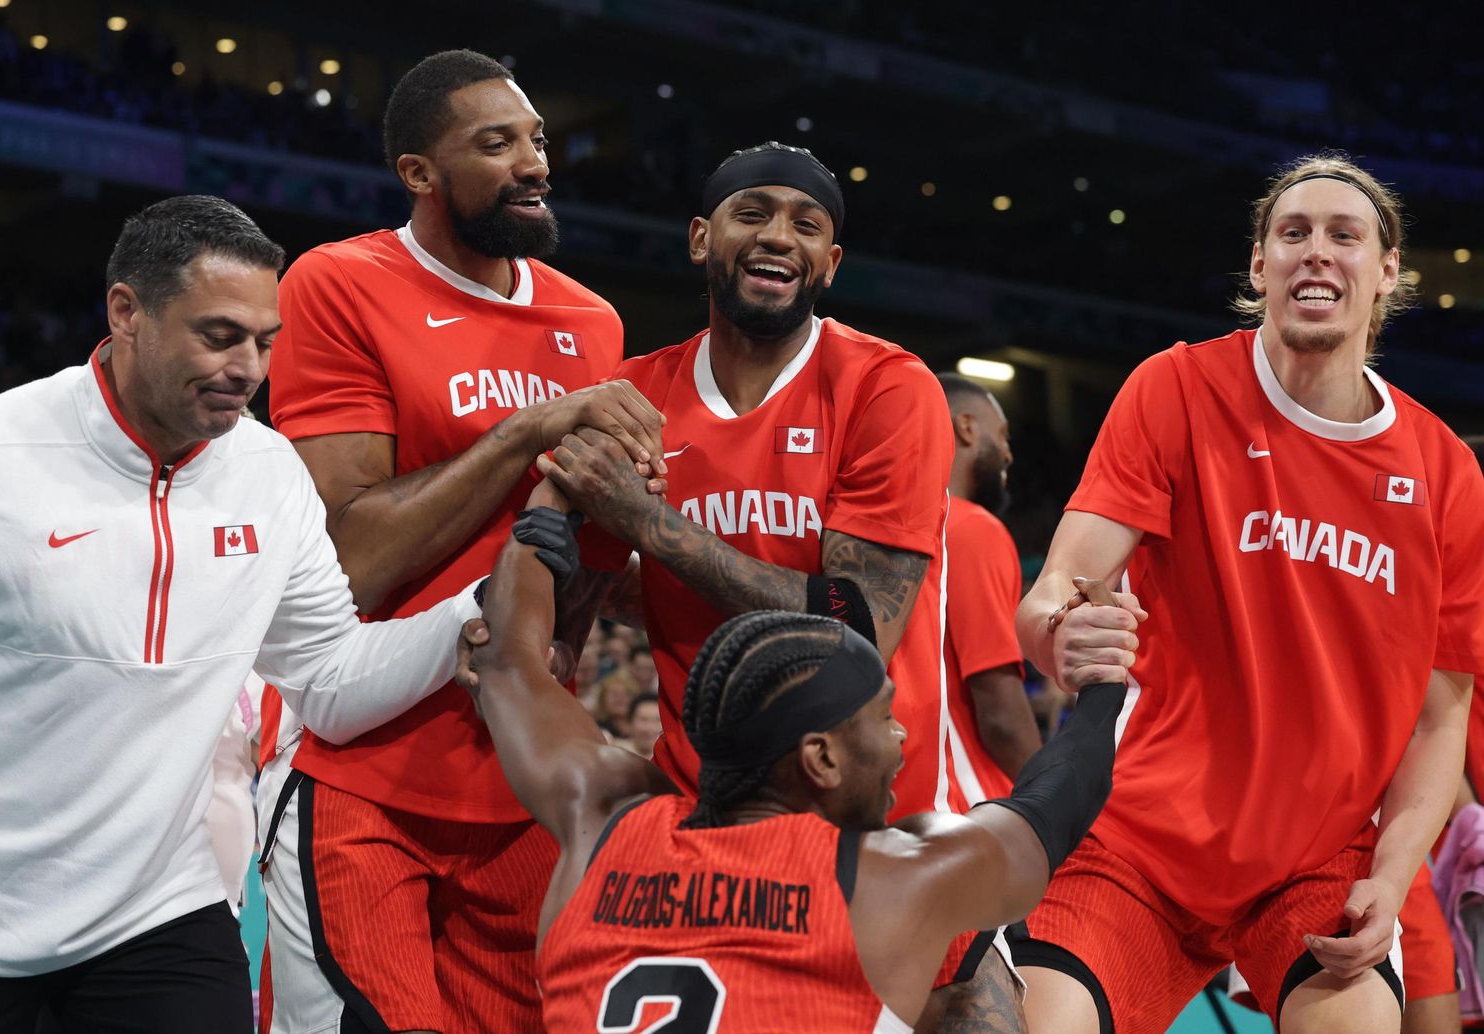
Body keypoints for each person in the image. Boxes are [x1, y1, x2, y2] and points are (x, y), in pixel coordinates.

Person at [0, 195, 488, 1034]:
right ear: (127, 312)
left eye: (264, 342)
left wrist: (477, 609)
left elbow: (329, 679)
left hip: (159, 914)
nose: (247, 366)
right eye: (219, 335)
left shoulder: (270, 473)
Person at [538, 142, 1025, 1017]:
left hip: (882, 825)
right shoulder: (636, 392)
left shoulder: (888, 386)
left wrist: (652, 526)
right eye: (752, 213)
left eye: (807, 225)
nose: (779, 238)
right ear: (700, 237)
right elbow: (569, 622)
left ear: (830, 264)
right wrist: (538, 647)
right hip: (715, 834)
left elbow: (856, 625)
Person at [1009, 153, 1484, 1034]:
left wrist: (1387, 874)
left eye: (1345, 236)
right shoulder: (1177, 387)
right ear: (1259, 265)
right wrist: (1056, 636)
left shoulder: (1445, 472)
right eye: (1292, 233)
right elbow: (1058, 591)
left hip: (1314, 862)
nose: (1316, 252)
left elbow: (1439, 718)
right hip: (1141, 842)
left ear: (1386, 274)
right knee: (1034, 1025)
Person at [257, 48, 665, 1034]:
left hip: (524, 777)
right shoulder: (339, 283)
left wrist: (620, 531)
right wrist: (531, 428)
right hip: (366, 773)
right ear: (420, 173)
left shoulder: (588, 319)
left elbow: (588, 556)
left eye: (535, 140)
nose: (534, 163)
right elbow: (349, 556)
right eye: (497, 144)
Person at [458, 478, 1126, 1033]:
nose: (899, 739)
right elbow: (1059, 798)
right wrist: (1103, 683)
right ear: (821, 760)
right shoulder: (888, 878)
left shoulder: (601, 819)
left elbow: (510, 666)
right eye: (882, 718)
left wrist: (544, 507)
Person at [937, 372, 1041, 802]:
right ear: (966, 427)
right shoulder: (971, 528)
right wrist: (1055, 802)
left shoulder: (873, 525)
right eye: (1002, 436)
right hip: (962, 798)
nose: (1009, 455)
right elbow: (1000, 713)